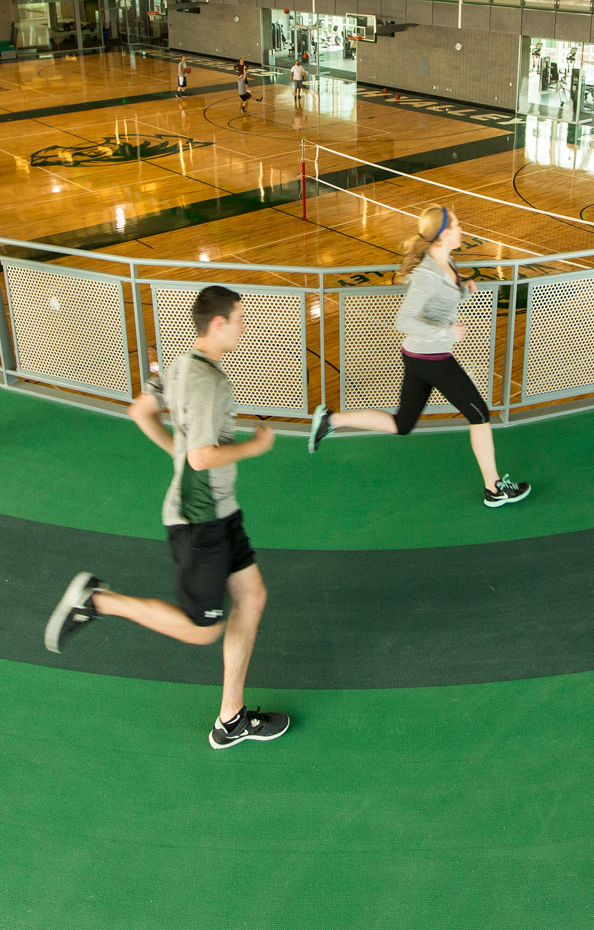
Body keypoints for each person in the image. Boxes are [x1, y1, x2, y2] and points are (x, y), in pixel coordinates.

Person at [45, 285, 290, 750]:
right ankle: (98, 601)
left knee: (252, 597)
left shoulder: (180, 365)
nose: (243, 328)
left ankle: (231, 719)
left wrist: (178, 454)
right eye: (239, 320)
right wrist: (255, 446)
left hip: (221, 510)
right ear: (218, 323)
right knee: (203, 630)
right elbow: (201, 457)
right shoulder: (206, 381)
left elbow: (141, 411)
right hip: (200, 519)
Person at [308, 206, 531, 509]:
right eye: (458, 225)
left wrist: (463, 290)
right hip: (431, 357)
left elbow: (439, 302)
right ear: (445, 233)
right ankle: (494, 489)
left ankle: (330, 420)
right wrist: (448, 332)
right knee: (479, 413)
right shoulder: (428, 273)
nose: (462, 229)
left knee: (403, 424)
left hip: (420, 355)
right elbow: (404, 321)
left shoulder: (446, 260)